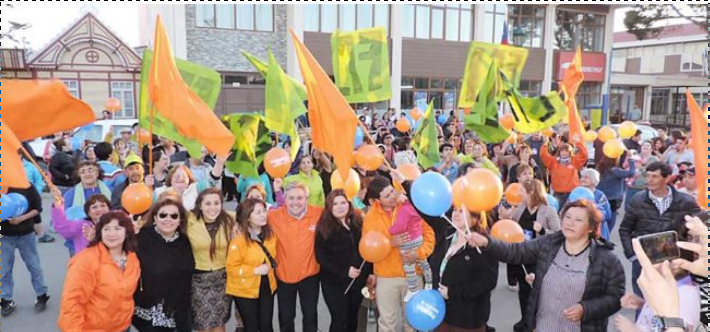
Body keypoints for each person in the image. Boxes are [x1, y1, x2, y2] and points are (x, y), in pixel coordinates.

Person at [467, 200, 626, 332]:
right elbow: (516, 251)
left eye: (578, 220)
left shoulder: (606, 259)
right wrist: (488, 242)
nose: (570, 223)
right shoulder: (549, 243)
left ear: (591, 227)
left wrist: (586, 308)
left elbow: (615, 297)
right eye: (567, 217)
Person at [362, 176, 436, 332]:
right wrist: (390, 243)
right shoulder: (370, 218)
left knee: (413, 322)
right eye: (386, 196)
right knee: (387, 324)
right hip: (386, 277)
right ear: (377, 200)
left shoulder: (410, 206)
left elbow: (429, 234)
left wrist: (419, 253)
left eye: (392, 191)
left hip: (414, 274)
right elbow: (368, 249)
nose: (392, 197)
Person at [619, 161, 701, 297]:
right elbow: (625, 229)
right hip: (645, 262)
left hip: (675, 264)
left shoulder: (686, 202)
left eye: (655, 176)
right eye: (648, 176)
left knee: (673, 305)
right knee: (643, 303)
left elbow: (699, 226)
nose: (649, 180)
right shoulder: (637, 200)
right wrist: (632, 255)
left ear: (667, 178)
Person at [58, 211, 140, 332]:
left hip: (123, 326)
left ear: (127, 232)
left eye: (117, 228)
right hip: (93, 328)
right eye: (106, 229)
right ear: (100, 233)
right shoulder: (86, 260)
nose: (112, 234)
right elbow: (72, 301)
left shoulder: (132, 257)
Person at [498, 179, 560, 332]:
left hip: (538, 258)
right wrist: (506, 218)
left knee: (536, 293)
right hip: (522, 255)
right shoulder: (520, 207)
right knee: (524, 292)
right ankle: (525, 319)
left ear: (532, 192)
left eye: (522, 192)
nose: (519, 194)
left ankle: (534, 323)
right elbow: (514, 225)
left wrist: (543, 230)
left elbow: (560, 234)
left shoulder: (548, 211)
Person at [268, 182, 323, 332]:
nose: (295, 202)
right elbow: (249, 218)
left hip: (310, 276)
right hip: (284, 276)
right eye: (291, 198)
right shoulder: (273, 216)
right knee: (286, 318)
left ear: (307, 198)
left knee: (310, 316)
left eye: (300, 198)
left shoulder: (319, 213)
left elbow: (342, 214)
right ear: (284, 198)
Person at [133, 198, 194, 332]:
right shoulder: (141, 237)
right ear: (155, 217)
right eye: (163, 214)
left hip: (177, 311)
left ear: (179, 220)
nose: (168, 219)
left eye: (174, 215)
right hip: (149, 311)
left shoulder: (184, 242)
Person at [433, 209, 498, 332]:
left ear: (475, 218)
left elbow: (488, 282)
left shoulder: (483, 244)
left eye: (462, 211)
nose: (456, 214)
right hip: (441, 312)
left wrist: (452, 293)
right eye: (455, 210)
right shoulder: (447, 236)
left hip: (467, 319)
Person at [314, 190, 369, 332]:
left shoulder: (357, 222)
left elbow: (367, 249)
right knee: (339, 319)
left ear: (349, 204)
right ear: (329, 207)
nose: (340, 206)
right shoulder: (324, 227)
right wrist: (345, 271)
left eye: (343, 202)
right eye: (335, 204)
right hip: (334, 283)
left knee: (353, 318)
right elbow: (321, 257)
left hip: (357, 281)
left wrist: (369, 273)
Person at [187, 188, 236, 332]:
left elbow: (255, 214)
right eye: (208, 203)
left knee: (219, 323)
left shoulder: (230, 219)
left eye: (216, 203)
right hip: (198, 281)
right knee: (203, 325)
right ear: (200, 205)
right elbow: (164, 215)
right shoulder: (189, 220)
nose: (212, 208)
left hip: (222, 280)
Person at [227, 198, 278, 332]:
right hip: (245, 289)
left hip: (267, 286)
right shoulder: (238, 240)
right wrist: (254, 270)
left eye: (263, 211)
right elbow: (231, 268)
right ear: (248, 217)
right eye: (258, 212)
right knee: (251, 327)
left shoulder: (270, 235)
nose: (263, 215)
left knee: (266, 325)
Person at [0, 184, 50, 316]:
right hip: (4, 235)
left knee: (34, 266)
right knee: (4, 270)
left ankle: (41, 295)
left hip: (26, 233)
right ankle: (6, 299)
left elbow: (37, 208)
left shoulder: (26, 185)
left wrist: (20, 219)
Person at [388, 194, 434, 302]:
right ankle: (429, 282)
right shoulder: (418, 208)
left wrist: (391, 230)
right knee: (423, 262)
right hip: (418, 238)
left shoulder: (405, 209)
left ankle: (413, 289)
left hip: (407, 241)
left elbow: (400, 226)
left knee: (409, 266)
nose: (396, 196)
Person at [541, 136, 588, 207]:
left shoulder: (574, 161)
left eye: (566, 151)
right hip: (558, 193)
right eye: (562, 151)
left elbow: (584, 155)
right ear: (559, 152)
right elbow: (543, 155)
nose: (564, 153)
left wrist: (578, 143)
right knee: (556, 212)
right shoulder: (553, 162)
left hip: (572, 193)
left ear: (570, 152)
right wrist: (545, 144)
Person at [596, 155, 635, 233]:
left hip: (600, 198)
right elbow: (631, 172)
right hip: (612, 199)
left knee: (599, 219)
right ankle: (605, 238)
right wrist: (631, 160)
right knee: (610, 222)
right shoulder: (615, 171)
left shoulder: (599, 169)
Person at [579, 169, 614, 240]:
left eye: (586, 177)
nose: (583, 179)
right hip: (580, 229)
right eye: (582, 177)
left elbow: (607, 214)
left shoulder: (600, 195)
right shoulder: (576, 193)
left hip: (597, 232)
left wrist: (594, 210)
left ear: (594, 180)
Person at [626, 141, 659, 210]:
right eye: (643, 145)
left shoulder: (654, 160)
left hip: (645, 188)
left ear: (652, 149)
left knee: (642, 210)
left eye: (648, 145)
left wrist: (640, 168)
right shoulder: (635, 156)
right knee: (628, 209)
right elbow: (627, 168)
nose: (645, 146)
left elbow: (654, 174)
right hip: (632, 187)